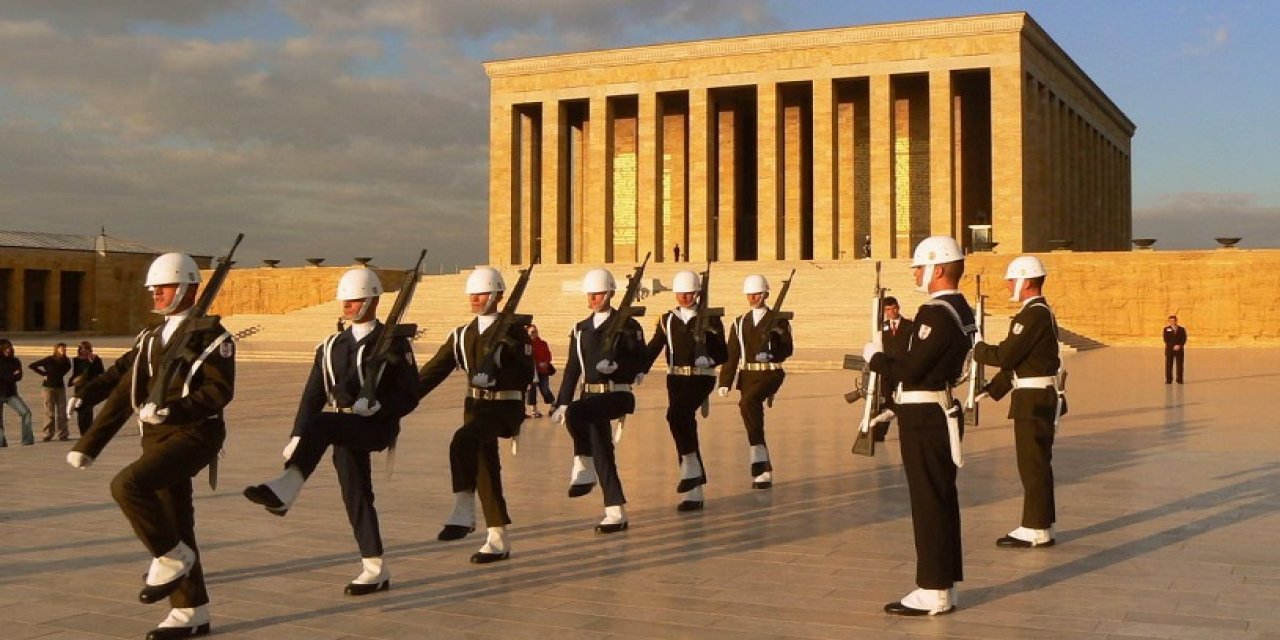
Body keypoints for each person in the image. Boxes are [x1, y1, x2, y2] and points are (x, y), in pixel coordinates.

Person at [65, 252, 235, 639]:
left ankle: (171, 556)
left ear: (188, 288)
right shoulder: (151, 336)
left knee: (128, 485)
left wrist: (175, 410)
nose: (156, 294)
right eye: (153, 288)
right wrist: (87, 393)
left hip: (195, 432)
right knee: (175, 519)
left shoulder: (213, 337)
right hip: (156, 437)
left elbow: (219, 391)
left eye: (164, 287)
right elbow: (122, 373)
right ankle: (191, 611)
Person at [243, 268, 419, 595]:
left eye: (354, 300)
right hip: (340, 427)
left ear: (372, 300)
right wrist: (298, 435)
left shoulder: (394, 342)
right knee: (355, 493)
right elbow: (313, 394)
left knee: (324, 424)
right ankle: (375, 568)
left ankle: (287, 488)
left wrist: (380, 406)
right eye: (345, 300)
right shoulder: (331, 346)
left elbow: (410, 394)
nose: (347, 305)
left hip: (374, 427)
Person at [863, 235, 975, 616]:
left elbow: (912, 369)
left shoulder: (935, 313)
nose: (915, 273)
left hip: (924, 417)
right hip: (936, 411)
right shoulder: (960, 309)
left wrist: (876, 358)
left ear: (938, 269)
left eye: (920, 267)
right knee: (940, 499)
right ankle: (945, 584)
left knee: (928, 502)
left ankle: (933, 589)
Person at [417, 267, 533, 563]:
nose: (474, 299)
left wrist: (497, 377)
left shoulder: (515, 332)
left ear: (496, 296)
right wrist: (398, 402)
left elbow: (525, 374)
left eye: (480, 294)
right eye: (472, 294)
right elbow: (433, 371)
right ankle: (498, 538)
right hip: (475, 408)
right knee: (483, 467)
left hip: (504, 407)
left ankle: (463, 509)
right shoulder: (462, 335)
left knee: (463, 440)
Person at [973, 255, 1064, 549]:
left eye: (1012, 280)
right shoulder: (1039, 313)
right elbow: (1022, 363)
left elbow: (1006, 356)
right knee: (1036, 463)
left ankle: (1036, 528)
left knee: (1032, 465)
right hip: (1035, 397)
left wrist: (977, 347)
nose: (1009, 285)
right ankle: (1042, 524)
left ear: (1025, 282)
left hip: (1033, 400)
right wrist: (993, 389)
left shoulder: (1032, 315)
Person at [552, 268, 647, 533]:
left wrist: (619, 367)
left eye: (597, 294)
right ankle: (615, 512)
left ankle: (583, 463)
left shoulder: (629, 325)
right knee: (602, 451)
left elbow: (641, 360)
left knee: (577, 413)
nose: (592, 299)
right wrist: (562, 401)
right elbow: (573, 368)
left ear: (610, 294)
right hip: (590, 396)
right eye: (590, 294)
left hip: (617, 394)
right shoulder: (580, 329)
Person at [645, 269, 727, 511]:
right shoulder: (667, 320)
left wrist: (709, 359)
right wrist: (637, 369)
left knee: (676, 415)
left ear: (697, 293)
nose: (684, 297)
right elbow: (654, 347)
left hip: (701, 377)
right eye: (680, 293)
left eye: (689, 293)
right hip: (676, 379)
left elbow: (723, 352)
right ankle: (694, 490)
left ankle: (691, 470)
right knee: (685, 425)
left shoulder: (711, 319)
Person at [715, 274, 793, 489]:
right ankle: (763, 468)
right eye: (749, 294)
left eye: (757, 294)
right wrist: (725, 381)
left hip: (771, 373)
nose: (753, 298)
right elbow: (732, 354)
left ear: (766, 294)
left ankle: (760, 464)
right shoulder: (739, 322)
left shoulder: (779, 320)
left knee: (747, 402)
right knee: (752, 420)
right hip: (748, 375)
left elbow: (788, 348)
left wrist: (773, 354)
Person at [872, 297, 914, 442]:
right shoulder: (882, 327)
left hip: (903, 367)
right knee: (885, 400)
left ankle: (907, 431)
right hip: (887, 368)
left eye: (894, 308)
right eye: (888, 309)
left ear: (898, 307)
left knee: (906, 400)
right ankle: (879, 433)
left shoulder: (910, 325)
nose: (892, 312)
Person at [30, 342, 72, 441]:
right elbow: (32, 365)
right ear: (56, 349)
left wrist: (57, 376)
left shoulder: (66, 361)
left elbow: (65, 370)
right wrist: (44, 374)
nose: (63, 351)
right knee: (49, 412)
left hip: (60, 388)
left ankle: (63, 434)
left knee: (62, 412)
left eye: (65, 349)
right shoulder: (49, 359)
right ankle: (48, 434)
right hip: (48, 388)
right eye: (61, 349)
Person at [0, 338, 35, 447]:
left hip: (11, 394)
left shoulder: (15, 361)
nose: (8, 350)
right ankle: (1, 442)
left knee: (26, 413)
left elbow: (19, 377)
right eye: (5, 348)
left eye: (9, 348)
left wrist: (8, 376)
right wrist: (12, 375)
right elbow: (7, 376)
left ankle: (27, 440)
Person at [70, 341, 106, 436]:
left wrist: (91, 362)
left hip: (90, 387)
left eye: (86, 348)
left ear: (89, 349)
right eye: (81, 349)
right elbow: (75, 373)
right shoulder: (76, 360)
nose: (83, 350)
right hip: (79, 387)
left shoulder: (96, 359)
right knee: (80, 410)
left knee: (88, 411)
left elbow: (101, 371)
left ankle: (88, 432)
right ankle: (82, 433)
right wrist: (73, 380)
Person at [525, 325, 555, 418]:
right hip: (531, 371)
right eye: (532, 332)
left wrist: (545, 363)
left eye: (535, 331)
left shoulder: (543, 343)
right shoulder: (526, 345)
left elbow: (548, 355)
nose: (534, 334)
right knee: (532, 390)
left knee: (545, 389)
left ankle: (553, 405)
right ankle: (534, 410)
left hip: (543, 371)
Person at [1163, 315, 1187, 384]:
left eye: (1173, 320)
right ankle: (1169, 380)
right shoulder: (1166, 329)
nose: (1172, 322)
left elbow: (1184, 338)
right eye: (1170, 321)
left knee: (1180, 365)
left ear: (1176, 321)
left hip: (1179, 350)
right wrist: (1173, 346)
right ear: (1169, 321)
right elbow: (1166, 339)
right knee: (1169, 365)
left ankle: (1179, 379)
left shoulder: (1182, 329)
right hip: (1170, 350)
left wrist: (1179, 345)